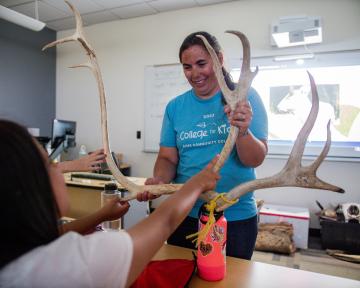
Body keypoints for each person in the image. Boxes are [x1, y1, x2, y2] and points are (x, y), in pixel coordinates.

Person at [0, 119, 220, 287]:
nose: (61, 170)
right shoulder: (72, 265)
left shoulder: (15, 254)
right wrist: (195, 185)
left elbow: (58, 233)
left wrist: (102, 214)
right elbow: (164, 222)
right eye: (51, 165)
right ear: (27, 188)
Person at [145, 31, 268, 260]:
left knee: (230, 281)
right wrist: (160, 180)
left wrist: (243, 130)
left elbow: (254, 159)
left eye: (201, 63)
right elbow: (168, 159)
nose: (194, 73)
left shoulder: (245, 97)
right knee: (182, 278)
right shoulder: (175, 107)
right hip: (185, 213)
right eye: (187, 66)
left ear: (219, 60)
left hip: (236, 217)